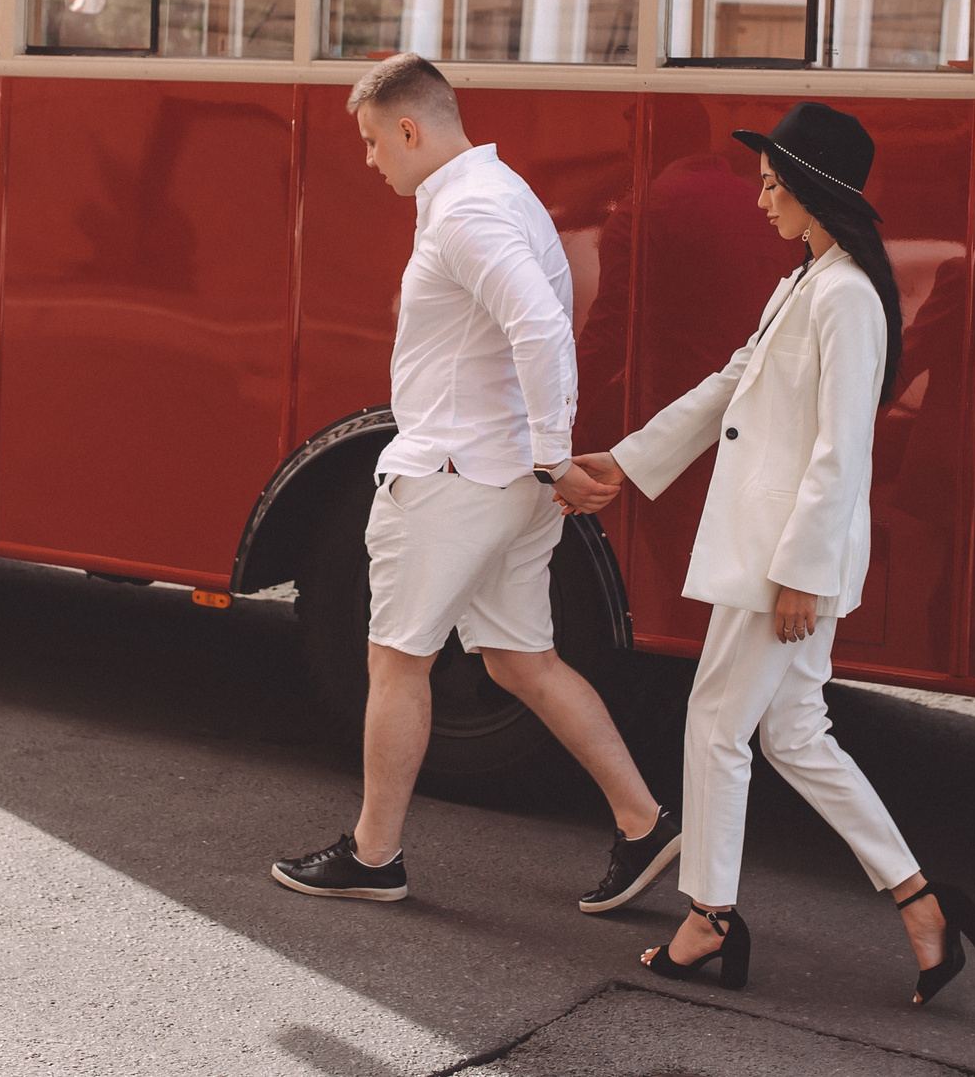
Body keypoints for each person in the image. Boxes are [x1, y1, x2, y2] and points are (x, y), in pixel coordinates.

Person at [572, 101, 975, 1005]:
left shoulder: (845, 296)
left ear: (811, 189)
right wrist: (627, 461)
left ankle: (710, 917)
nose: (760, 199)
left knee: (716, 724)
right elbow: (729, 383)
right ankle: (923, 904)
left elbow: (843, 450)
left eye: (772, 185)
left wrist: (801, 571)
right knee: (795, 735)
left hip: (782, 558)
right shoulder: (807, 280)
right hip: (779, 552)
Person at [273, 54, 682, 912]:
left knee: (396, 661)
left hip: (456, 476)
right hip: (507, 479)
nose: (370, 159)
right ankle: (644, 821)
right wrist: (545, 459)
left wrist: (555, 453)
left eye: (372, 141)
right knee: (523, 660)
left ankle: (374, 855)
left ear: (409, 128)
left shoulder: (467, 210)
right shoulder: (504, 193)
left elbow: (541, 328)